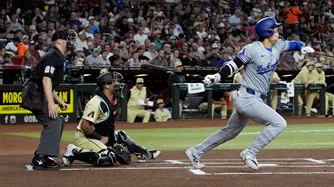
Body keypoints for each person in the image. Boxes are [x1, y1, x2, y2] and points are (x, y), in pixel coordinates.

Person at [185, 17, 314, 170]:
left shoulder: (278, 45)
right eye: (275, 30)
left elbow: (293, 44)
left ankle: (196, 151)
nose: (278, 32)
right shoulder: (252, 49)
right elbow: (233, 65)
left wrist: (302, 47)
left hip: (254, 99)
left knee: (230, 132)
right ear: (267, 32)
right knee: (279, 123)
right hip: (248, 97)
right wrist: (217, 76)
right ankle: (250, 152)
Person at [62, 71, 160, 167]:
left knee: (121, 136)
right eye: (114, 81)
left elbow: (110, 125)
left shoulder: (114, 101)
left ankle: (143, 153)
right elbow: (85, 126)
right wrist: (100, 138)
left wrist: (113, 143)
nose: (118, 84)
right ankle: (74, 151)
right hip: (86, 137)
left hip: (101, 134)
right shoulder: (96, 102)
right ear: (106, 86)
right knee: (108, 158)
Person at [28, 29, 75, 170]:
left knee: (57, 121)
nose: (71, 42)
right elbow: (46, 79)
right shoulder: (53, 56)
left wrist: (59, 101)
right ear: (59, 40)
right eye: (68, 38)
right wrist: (50, 104)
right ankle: (41, 158)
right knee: (54, 121)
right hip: (34, 94)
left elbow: (51, 85)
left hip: (37, 93)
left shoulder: (57, 56)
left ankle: (42, 155)